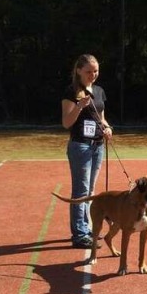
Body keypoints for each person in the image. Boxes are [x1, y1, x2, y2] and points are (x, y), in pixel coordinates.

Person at [61, 54, 114, 249]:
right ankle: (79, 234)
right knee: (80, 190)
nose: (93, 75)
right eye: (89, 71)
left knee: (91, 190)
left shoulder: (99, 91)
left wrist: (107, 128)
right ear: (78, 71)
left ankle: (87, 227)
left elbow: (101, 118)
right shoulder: (71, 91)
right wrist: (78, 107)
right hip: (80, 146)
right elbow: (66, 123)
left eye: (96, 71)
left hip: (97, 145)